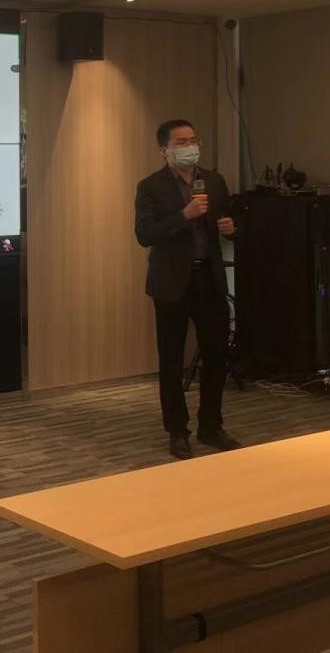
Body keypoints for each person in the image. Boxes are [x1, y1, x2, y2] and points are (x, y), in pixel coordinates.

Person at [135, 119, 240, 460]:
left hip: (209, 278)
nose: (189, 147)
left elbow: (231, 221)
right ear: (164, 150)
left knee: (216, 356)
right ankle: (177, 431)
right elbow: (145, 234)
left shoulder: (213, 180)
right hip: (171, 283)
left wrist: (231, 227)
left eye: (193, 140)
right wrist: (184, 215)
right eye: (181, 142)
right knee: (171, 359)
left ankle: (211, 425)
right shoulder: (150, 187)